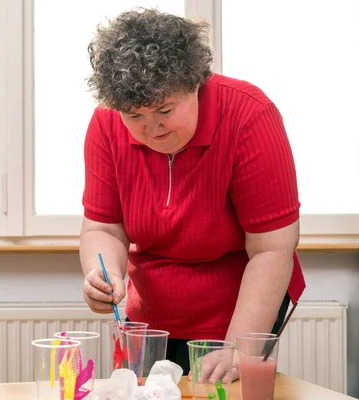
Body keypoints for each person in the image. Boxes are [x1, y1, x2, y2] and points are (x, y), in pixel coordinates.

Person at [78, 8, 305, 381]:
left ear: (196, 83)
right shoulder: (105, 122)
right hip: (151, 308)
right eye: (134, 117)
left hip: (238, 304)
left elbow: (271, 249)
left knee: (220, 389)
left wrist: (238, 347)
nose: (152, 129)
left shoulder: (250, 115)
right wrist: (102, 274)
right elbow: (104, 226)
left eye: (164, 110)